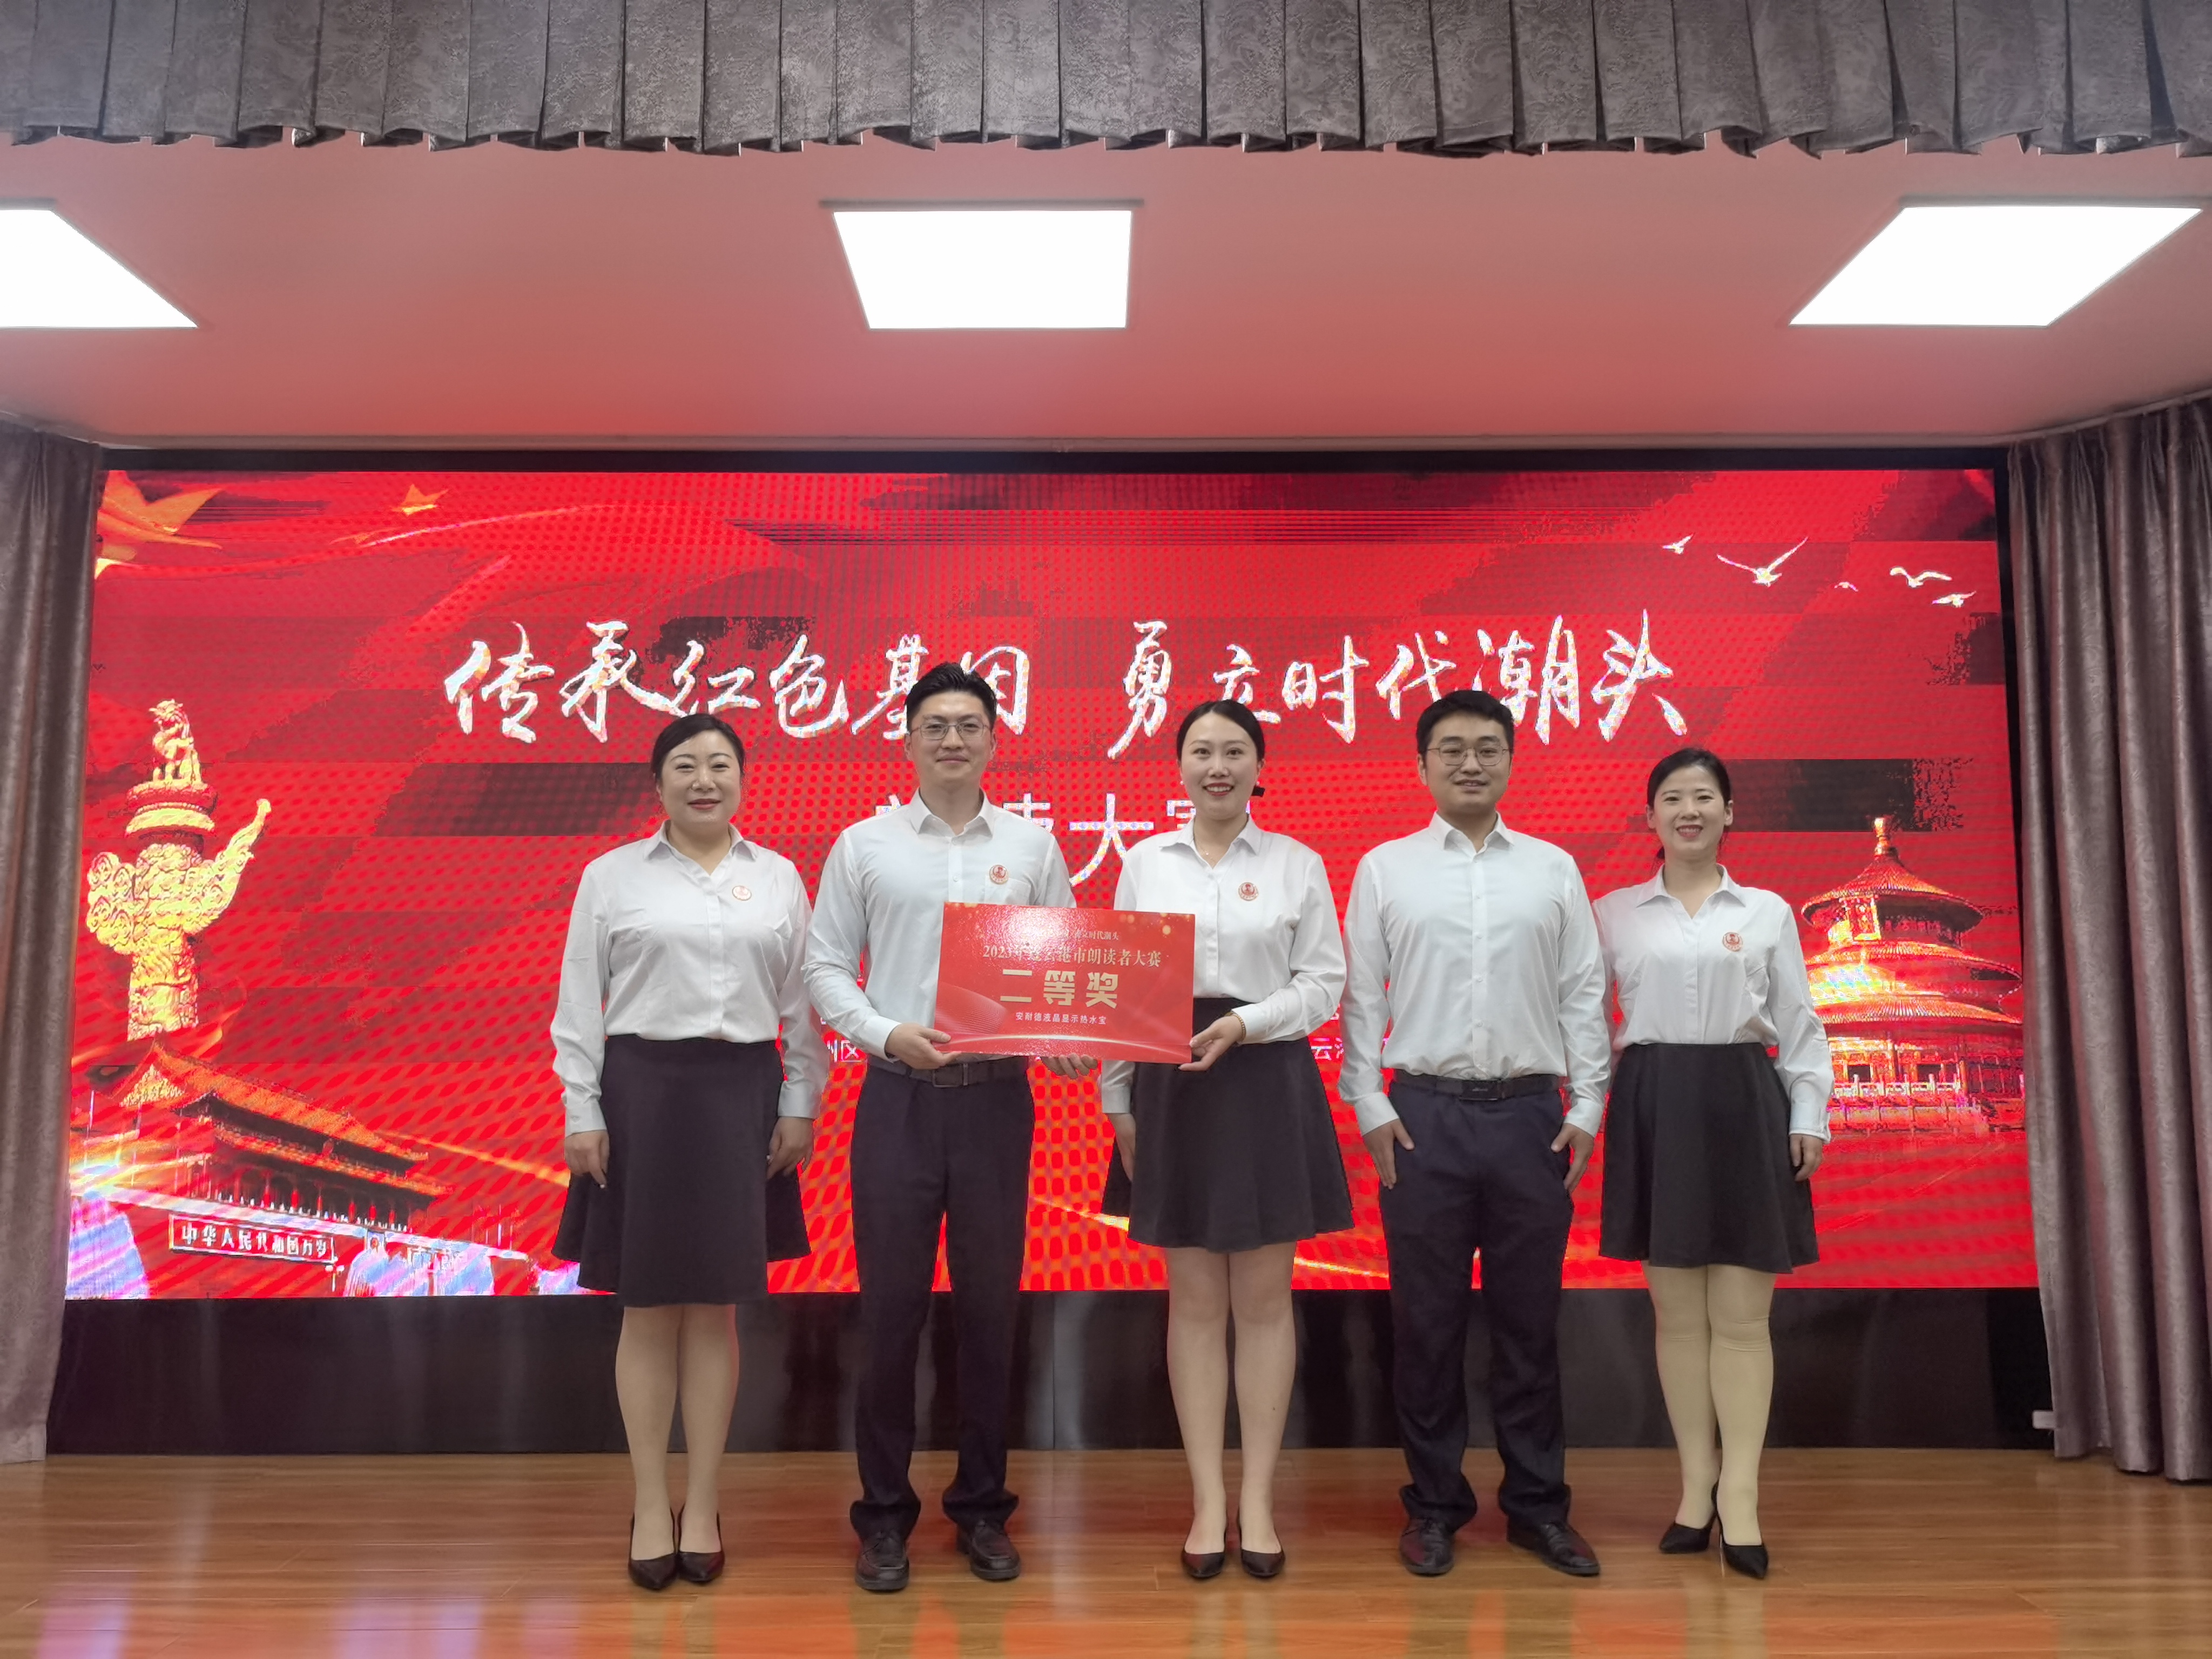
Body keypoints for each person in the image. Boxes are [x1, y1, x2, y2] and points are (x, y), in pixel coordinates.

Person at [802, 662, 1094, 1594]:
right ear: (908, 739)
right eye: (935, 725)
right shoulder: (865, 845)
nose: (953, 740)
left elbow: (1065, 968)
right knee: (891, 1313)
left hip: (997, 1102)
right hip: (898, 1096)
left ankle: (982, 1510)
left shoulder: (1033, 845)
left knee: (988, 1311)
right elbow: (823, 968)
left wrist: (1065, 1040)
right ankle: (884, 1517)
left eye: (970, 725)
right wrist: (885, 1032)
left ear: (995, 740)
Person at [1339, 688, 1611, 1581]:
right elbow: (1362, 998)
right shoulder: (1386, 868)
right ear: (1422, 764)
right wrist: (1369, 1105)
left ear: (1510, 761)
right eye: (1451, 748)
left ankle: (1539, 1509)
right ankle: (1433, 1508)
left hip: (1533, 1117)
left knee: (1530, 1326)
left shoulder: (1552, 869)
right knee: (1428, 1327)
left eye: (1487, 747)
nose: (1470, 762)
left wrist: (1585, 1107)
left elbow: (1582, 992)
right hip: (1424, 1118)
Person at [550, 711, 826, 1591]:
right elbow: (578, 1002)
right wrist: (582, 1108)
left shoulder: (778, 876)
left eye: (720, 765)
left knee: (715, 1310)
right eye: (685, 766)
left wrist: (800, 1102)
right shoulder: (612, 875)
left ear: (743, 778)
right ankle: (647, 1502)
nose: (704, 780)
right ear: (658, 782)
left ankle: (701, 1503)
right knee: (646, 1308)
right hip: (642, 1095)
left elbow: (802, 1005)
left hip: (742, 1094)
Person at [1097, 700, 1352, 1582]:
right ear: (1179, 767)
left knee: (1266, 1301)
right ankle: (1208, 1502)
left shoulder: (1296, 863)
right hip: (1170, 1082)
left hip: (1265, 1075)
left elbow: (1323, 983)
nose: (1218, 766)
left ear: (1258, 765)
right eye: (1202, 751)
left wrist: (1247, 1022)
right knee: (1197, 1302)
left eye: (1235, 751)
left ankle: (1260, 1502)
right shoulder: (1145, 862)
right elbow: (1119, 987)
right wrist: (1118, 1102)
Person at [1593, 748, 1831, 1580]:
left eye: (1703, 797)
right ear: (1650, 816)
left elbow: (1798, 1021)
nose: (1688, 811)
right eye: (1672, 798)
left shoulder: (1766, 911)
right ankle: (1695, 1490)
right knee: (1678, 1319)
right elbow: (1585, 1022)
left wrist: (1809, 1113)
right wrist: (1584, 1108)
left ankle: (1743, 1497)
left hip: (1743, 1105)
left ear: (1730, 812)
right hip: (1654, 1104)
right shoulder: (1613, 913)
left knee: (1739, 1319)